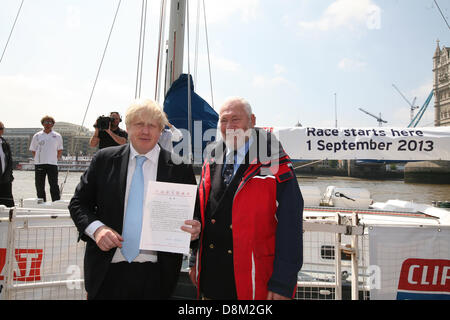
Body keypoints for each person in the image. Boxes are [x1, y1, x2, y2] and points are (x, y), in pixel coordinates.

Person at [69, 99, 201, 300]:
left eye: (152, 125)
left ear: (160, 130)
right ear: (128, 127)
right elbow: (78, 203)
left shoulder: (180, 168)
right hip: (106, 272)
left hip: (158, 276)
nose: (145, 131)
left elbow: (194, 215)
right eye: (139, 124)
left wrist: (195, 229)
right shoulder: (103, 160)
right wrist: (97, 229)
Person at [190, 97, 303, 300]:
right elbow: (200, 212)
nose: (229, 126)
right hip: (211, 278)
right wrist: (193, 261)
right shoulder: (211, 159)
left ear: (251, 120)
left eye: (236, 119)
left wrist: (283, 283)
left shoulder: (276, 163)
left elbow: (291, 226)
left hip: (253, 279)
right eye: (224, 120)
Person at [29, 116, 63, 202]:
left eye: (50, 122)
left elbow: (59, 150)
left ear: (53, 124)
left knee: (54, 185)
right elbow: (33, 150)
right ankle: (41, 202)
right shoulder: (37, 136)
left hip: (52, 164)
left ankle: (56, 202)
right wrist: (39, 158)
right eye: (46, 122)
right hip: (40, 164)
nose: (48, 124)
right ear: (43, 123)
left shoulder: (57, 136)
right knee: (40, 185)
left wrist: (55, 159)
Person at [0, 122, 15, 207]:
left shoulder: (5, 143)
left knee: (8, 204)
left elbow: (9, 161)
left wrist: (10, 175)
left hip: (6, 179)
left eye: (2, 128)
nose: (1, 131)